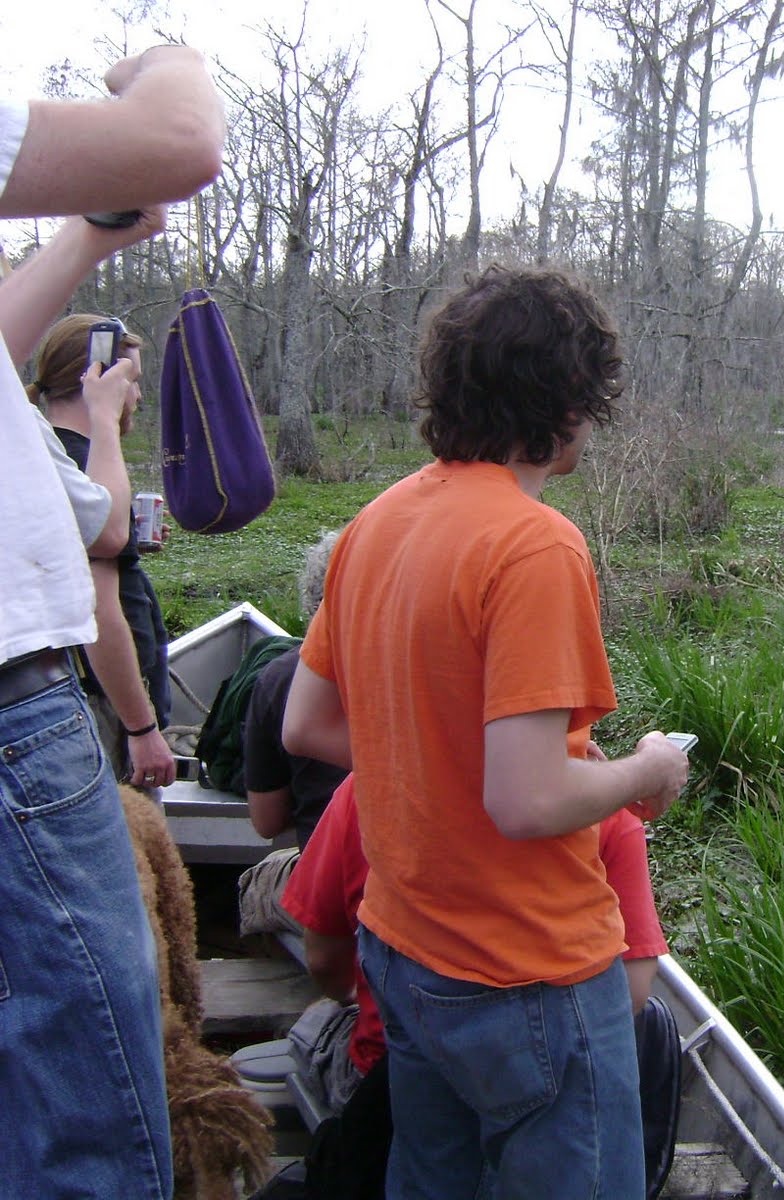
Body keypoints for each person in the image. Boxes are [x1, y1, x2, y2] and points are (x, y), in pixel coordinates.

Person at [283, 264, 690, 1199]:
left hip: (405, 951)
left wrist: (438, 753)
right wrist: (644, 770)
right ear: (567, 400)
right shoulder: (533, 544)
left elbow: (309, 723)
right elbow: (529, 798)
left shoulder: (375, 524)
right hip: (527, 973)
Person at [0, 42, 224, 1198]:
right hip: (16, 714)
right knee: (94, 1117)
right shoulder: (73, 428)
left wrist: (89, 235)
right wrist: (167, 60)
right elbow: (185, 141)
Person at [277, 773, 670, 1199]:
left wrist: (363, 995)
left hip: (387, 1068)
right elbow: (632, 991)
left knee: (313, 1025)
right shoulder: (609, 817)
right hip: (537, 1074)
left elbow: (322, 957)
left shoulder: (369, 785)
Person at [32, 313, 177, 791]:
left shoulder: (52, 455)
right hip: (103, 710)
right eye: (130, 380)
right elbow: (98, 611)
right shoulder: (76, 461)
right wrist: (141, 728)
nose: (137, 395)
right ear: (95, 379)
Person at [243, 531, 349, 847]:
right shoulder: (428, 672)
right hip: (421, 876)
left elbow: (267, 822)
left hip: (325, 877)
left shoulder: (277, 678)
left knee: (259, 882)